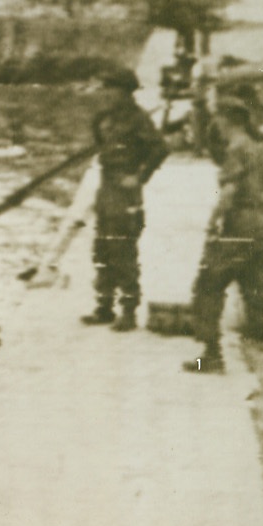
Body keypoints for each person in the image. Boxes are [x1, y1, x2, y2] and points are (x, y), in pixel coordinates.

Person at [185, 96, 263, 373]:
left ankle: (210, 357)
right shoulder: (256, 146)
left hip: (240, 223)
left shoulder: (237, 149)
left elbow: (228, 193)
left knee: (208, 284)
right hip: (261, 222)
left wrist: (214, 220)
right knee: (255, 283)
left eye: (218, 118)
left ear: (226, 120)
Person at [81, 67, 169, 331]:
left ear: (124, 91)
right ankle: (104, 307)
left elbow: (160, 148)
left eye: (111, 88)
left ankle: (128, 311)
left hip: (124, 190)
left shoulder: (137, 119)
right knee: (103, 248)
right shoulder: (104, 117)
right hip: (106, 186)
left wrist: (139, 177)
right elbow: (100, 143)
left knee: (123, 249)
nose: (106, 93)